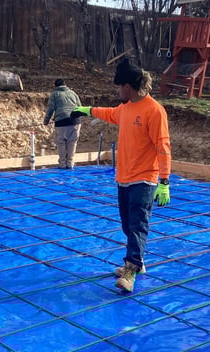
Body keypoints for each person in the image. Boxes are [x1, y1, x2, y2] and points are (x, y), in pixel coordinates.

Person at [71, 58, 171, 294]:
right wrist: (87, 110)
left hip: (144, 179)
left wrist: (164, 181)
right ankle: (138, 261)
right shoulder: (125, 109)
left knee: (137, 225)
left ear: (128, 86)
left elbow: (163, 146)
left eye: (119, 87)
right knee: (127, 225)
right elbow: (109, 113)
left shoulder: (154, 111)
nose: (117, 91)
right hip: (123, 178)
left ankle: (130, 270)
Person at [43, 79, 82, 169]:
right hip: (75, 121)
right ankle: (70, 163)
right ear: (65, 84)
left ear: (56, 86)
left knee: (61, 143)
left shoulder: (55, 94)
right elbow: (80, 106)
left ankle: (63, 164)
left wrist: (46, 120)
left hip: (61, 121)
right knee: (72, 142)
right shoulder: (73, 93)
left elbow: (50, 108)